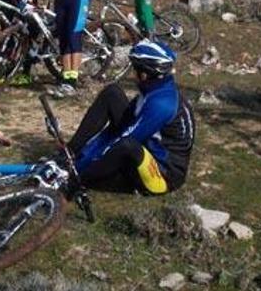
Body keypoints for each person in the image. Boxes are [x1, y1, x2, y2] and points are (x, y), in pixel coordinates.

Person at [65, 39, 195, 194]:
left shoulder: (161, 104)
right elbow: (125, 123)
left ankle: (77, 180)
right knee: (112, 93)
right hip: (149, 147)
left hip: (163, 174)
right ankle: (68, 153)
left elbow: (125, 138)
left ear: (144, 74)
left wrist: (84, 165)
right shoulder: (155, 90)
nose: (132, 74)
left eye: (135, 69)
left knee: (126, 145)